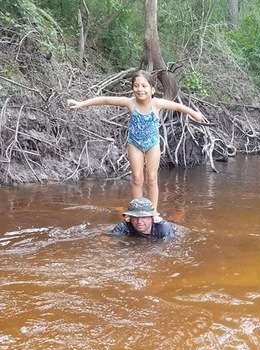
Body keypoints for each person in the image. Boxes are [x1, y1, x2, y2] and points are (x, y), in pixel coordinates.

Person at [67, 69, 207, 216]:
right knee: (137, 178)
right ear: (133, 88)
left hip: (152, 144)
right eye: (136, 86)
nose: (140, 89)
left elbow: (178, 106)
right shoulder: (130, 103)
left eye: (144, 86)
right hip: (135, 144)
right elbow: (105, 100)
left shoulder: (157, 103)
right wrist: (80, 104)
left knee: (152, 178)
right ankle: (137, 212)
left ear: (152, 89)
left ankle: (153, 213)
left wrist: (194, 114)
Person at [110, 197, 176, 239]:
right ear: (129, 218)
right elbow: (107, 239)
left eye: (143, 217)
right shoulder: (124, 226)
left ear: (152, 218)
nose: (139, 222)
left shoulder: (163, 228)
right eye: (135, 217)